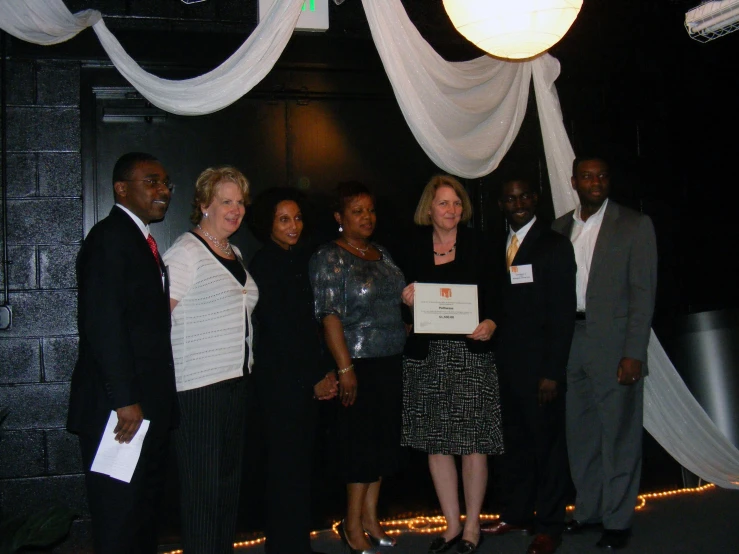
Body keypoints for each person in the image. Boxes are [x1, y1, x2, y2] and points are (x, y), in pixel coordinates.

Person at [67, 152, 177, 554]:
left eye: (166, 183)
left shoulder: (140, 241)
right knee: (119, 519)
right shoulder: (110, 238)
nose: (163, 190)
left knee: (142, 516)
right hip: (120, 414)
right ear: (121, 188)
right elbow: (103, 325)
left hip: (144, 409)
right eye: (151, 181)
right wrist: (125, 400)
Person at [552, 156, 657, 550]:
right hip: (570, 341)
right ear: (574, 181)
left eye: (602, 175)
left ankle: (617, 520)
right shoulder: (559, 227)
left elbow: (643, 295)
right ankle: (588, 512)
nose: (595, 182)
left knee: (619, 434)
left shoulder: (634, 224)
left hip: (614, 345)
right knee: (579, 434)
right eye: (587, 176)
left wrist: (635, 353)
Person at [400, 175, 502, 554]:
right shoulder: (411, 247)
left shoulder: (481, 244)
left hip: (470, 357)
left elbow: (499, 296)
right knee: (436, 445)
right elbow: (401, 308)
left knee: (474, 445)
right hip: (427, 360)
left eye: (457, 204)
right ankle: (452, 525)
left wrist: (491, 323)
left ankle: (473, 526)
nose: (452, 210)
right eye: (444, 203)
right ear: (429, 208)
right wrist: (405, 299)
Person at [162, 166, 258, 554]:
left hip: (235, 386)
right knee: (203, 498)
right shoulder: (186, 252)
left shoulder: (233, 252)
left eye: (240, 202)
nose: (235, 210)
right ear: (203, 205)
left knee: (225, 494)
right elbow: (154, 323)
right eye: (225, 201)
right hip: (197, 391)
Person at [309, 182, 406, 554]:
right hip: (358, 364)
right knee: (359, 449)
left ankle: (370, 518)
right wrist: (345, 368)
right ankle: (350, 524)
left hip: (390, 361)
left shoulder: (381, 252)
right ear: (339, 217)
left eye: (370, 210)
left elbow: (397, 301)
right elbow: (328, 316)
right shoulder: (329, 256)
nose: (367, 218)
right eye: (357, 211)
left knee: (381, 446)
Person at [482, 179, 576, 554]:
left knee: (548, 449)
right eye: (510, 198)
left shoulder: (554, 245)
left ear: (535, 199)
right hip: (505, 368)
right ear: (501, 204)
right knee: (515, 444)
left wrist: (553, 371)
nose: (517, 203)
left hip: (542, 372)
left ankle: (550, 525)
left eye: (523, 196)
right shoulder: (496, 247)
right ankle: (517, 513)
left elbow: (562, 314)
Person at [248, 187, 338, 554]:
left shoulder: (301, 259)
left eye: (297, 217)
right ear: (268, 224)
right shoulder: (265, 263)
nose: (293, 225)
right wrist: (316, 376)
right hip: (281, 384)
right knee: (285, 471)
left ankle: (295, 543)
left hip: (301, 380)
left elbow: (311, 324)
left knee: (298, 470)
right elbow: (283, 332)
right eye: (284, 219)